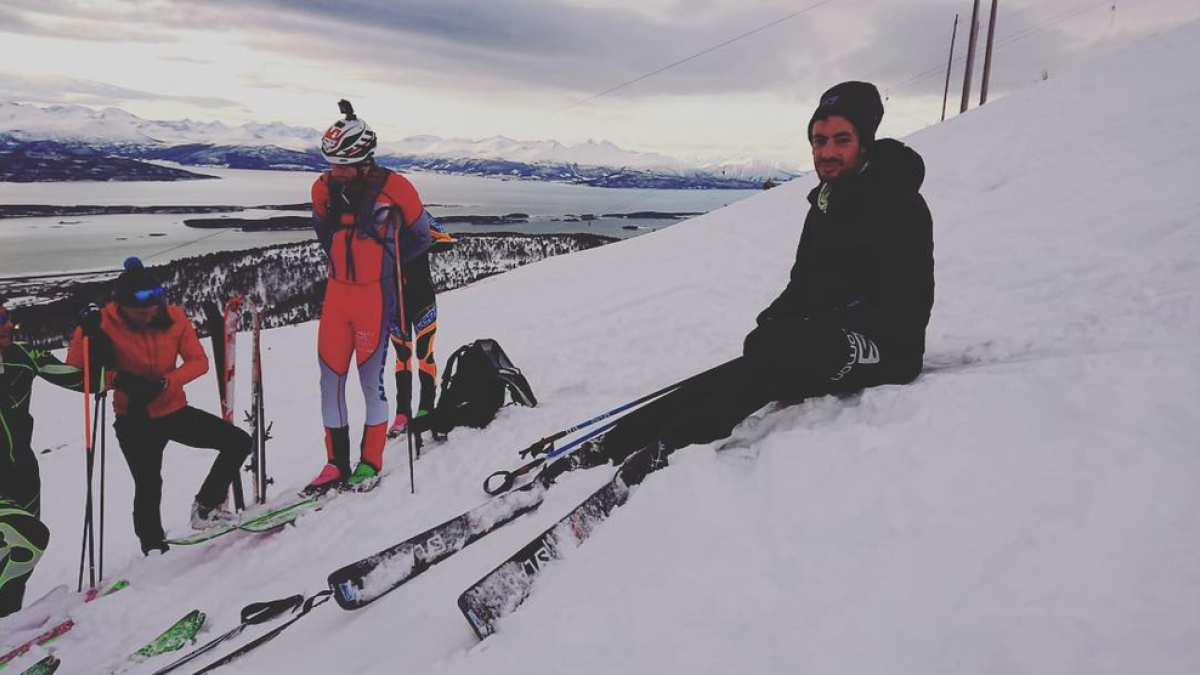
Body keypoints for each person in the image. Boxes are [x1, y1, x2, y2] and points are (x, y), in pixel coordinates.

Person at [589, 81, 935, 467]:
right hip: (828, 334)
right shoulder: (826, 203)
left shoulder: (900, 206)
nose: (827, 152)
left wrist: (818, 331)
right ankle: (619, 441)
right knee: (750, 361)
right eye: (819, 141)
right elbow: (804, 283)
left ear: (864, 143)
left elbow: (907, 305)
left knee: (779, 363)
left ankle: (666, 451)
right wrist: (774, 320)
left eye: (841, 140)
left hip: (890, 349)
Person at [307, 99, 452, 493]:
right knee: (330, 381)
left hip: (374, 298)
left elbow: (420, 237)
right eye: (331, 163)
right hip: (337, 299)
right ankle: (335, 462)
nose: (334, 172)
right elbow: (324, 235)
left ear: (363, 158)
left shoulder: (396, 187)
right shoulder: (323, 189)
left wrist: (385, 271)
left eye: (342, 165)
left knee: (372, 382)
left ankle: (370, 462)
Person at [66, 258, 252, 556]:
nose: (147, 313)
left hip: (174, 409)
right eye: (139, 309)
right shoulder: (100, 323)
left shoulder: (174, 317)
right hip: (134, 417)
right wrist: (117, 378)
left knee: (238, 442)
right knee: (149, 485)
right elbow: (78, 374)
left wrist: (168, 382)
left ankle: (205, 507)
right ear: (121, 305)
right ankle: (152, 547)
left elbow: (198, 362)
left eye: (152, 306)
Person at [0, 300, 106, 616]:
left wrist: (91, 337)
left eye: (5, 316)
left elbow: (91, 382)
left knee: (17, 562)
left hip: (23, 475)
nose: (7, 325)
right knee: (30, 540)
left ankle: (6, 629)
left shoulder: (24, 357)